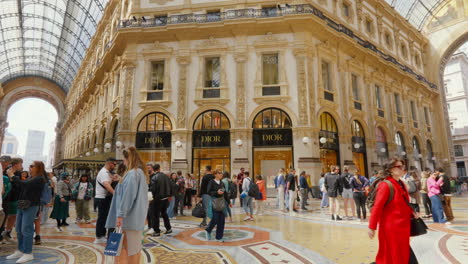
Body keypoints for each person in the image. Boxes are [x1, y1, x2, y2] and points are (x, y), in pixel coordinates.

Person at [368, 157, 418, 264]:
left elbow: (403, 203)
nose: (402, 169)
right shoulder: (386, 185)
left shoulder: (401, 183)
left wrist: (412, 213)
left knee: (400, 255)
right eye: (399, 166)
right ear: (390, 169)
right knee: (393, 255)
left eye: (403, 166)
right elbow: (377, 207)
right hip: (391, 229)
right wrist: (372, 227)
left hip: (403, 227)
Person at [106, 147, 149, 264]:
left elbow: (128, 197)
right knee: (129, 247)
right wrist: (121, 180)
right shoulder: (138, 173)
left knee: (132, 249)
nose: (123, 163)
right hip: (133, 218)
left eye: (123, 160)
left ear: (128, 159)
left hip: (129, 218)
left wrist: (120, 215)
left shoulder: (132, 174)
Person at [6, 161, 46, 263]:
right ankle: (20, 250)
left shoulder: (39, 178)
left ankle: (28, 253)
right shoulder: (31, 178)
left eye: (32, 166)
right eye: (30, 166)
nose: (30, 168)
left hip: (31, 204)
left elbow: (25, 185)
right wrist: (12, 178)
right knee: (18, 228)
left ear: (39, 167)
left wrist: (13, 176)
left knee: (26, 229)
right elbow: (20, 186)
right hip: (22, 203)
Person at [94, 157, 116, 244]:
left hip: (105, 197)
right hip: (102, 198)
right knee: (102, 218)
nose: (114, 166)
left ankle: (102, 235)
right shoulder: (103, 172)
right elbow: (106, 185)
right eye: (114, 164)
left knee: (104, 217)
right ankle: (99, 237)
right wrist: (115, 193)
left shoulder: (107, 172)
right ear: (109, 163)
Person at [3, 158, 23, 242]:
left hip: (16, 196)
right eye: (20, 164)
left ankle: (7, 232)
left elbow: (20, 184)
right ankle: (2, 231)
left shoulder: (19, 173)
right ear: (15, 164)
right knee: (5, 216)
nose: (21, 166)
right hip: (6, 197)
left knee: (14, 215)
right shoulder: (6, 172)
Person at [205, 170, 228, 242]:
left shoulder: (222, 183)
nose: (221, 174)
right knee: (215, 219)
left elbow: (225, 193)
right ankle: (208, 230)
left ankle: (219, 237)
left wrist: (229, 201)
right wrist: (216, 192)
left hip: (222, 202)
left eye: (221, 173)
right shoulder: (211, 182)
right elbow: (208, 191)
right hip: (214, 202)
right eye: (219, 173)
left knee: (222, 220)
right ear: (215, 174)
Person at [150, 164, 172, 237]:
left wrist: (151, 197)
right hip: (165, 199)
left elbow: (153, 189)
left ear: (153, 169)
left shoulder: (154, 177)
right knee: (164, 213)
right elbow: (170, 186)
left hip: (157, 199)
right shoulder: (166, 176)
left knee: (155, 215)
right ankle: (168, 228)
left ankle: (157, 231)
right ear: (159, 168)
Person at [0, 155, 12, 243]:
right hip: (6, 201)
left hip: (7, 201)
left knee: (6, 216)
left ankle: (6, 233)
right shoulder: (6, 175)